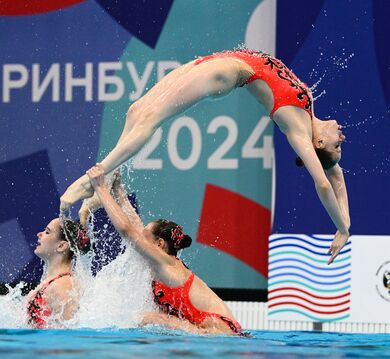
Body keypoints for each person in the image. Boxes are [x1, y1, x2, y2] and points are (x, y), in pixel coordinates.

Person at [61, 48, 350, 265]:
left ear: (319, 142)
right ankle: (102, 186)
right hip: (218, 61)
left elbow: (324, 183)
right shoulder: (309, 111)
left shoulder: (298, 129)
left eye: (337, 146)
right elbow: (336, 176)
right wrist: (346, 224)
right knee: (136, 111)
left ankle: (94, 177)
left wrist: (338, 229)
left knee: (151, 118)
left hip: (224, 73)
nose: (343, 139)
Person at [86, 165, 245, 335]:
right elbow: (134, 225)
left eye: (145, 234)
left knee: (153, 318)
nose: (140, 236)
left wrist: (101, 188)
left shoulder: (165, 263)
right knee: (151, 319)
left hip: (221, 331)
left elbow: (126, 229)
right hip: (216, 331)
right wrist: (118, 190)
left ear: (159, 244)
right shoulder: (165, 262)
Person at [26, 217, 91, 328]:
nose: (39, 234)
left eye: (47, 232)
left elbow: (70, 333)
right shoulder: (53, 282)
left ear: (61, 246)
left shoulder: (63, 286)